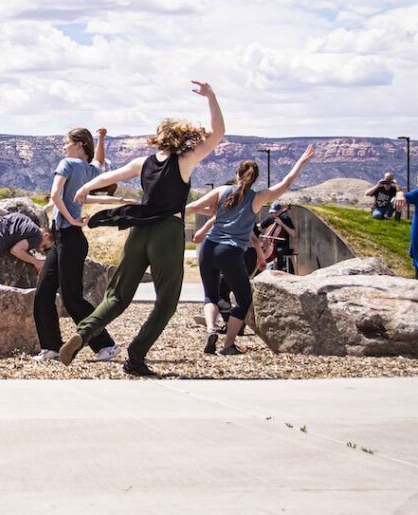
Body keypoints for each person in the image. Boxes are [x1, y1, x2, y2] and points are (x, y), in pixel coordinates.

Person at [59, 80, 224, 377]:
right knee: (167, 302)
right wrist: (211, 96)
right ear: (181, 139)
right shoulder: (184, 160)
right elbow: (218, 134)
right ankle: (136, 356)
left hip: (139, 231)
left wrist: (84, 189)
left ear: (159, 139)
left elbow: (109, 177)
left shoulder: (142, 162)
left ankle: (83, 334)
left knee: (116, 295)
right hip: (167, 232)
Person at [185, 146, 314, 356]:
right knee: (244, 299)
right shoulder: (258, 197)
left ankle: (211, 330)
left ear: (237, 174)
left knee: (210, 295)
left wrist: (161, 213)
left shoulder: (221, 191)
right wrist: (301, 162)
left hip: (208, 248)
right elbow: (286, 183)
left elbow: (192, 207)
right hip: (231, 251)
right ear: (255, 179)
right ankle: (228, 345)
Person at [32, 128, 134, 363]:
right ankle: (51, 347)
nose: (64, 147)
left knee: (72, 298)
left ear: (78, 145)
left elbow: (55, 195)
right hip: (64, 239)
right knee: (44, 291)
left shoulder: (67, 163)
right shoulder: (89, 169)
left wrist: (70, 219)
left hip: (69, 237)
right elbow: (99, 161)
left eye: (67, 142)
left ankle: (106, 345)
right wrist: (101, 139)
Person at [259, 201, 296, 271]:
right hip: (270, 244)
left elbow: (293, 234)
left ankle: (280, 270)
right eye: (272, 213)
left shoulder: (285, 219)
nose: (273, 214)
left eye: (275, 212)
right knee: (258, 248)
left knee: (279, 250)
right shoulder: (271, 218)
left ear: (279, 211)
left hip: (283, 245)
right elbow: (260, 225)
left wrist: (282, 224)